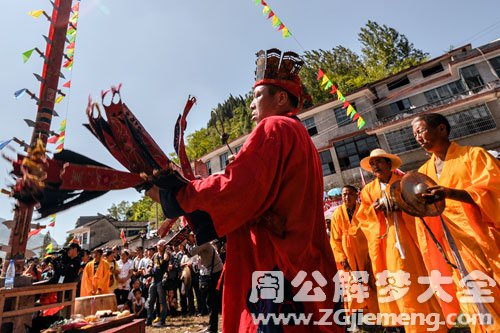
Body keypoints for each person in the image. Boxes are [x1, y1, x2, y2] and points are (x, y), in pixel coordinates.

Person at [145, 49, 341, 332]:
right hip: (303, 260)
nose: (251, 104)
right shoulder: (301, 137)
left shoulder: (274, 127)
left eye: (257, 96)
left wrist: (179, 195)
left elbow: (236, 188)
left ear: (282, 98)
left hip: (275, 261)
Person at [411, 113, 500, 332]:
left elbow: (493, 191)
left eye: (421, 130)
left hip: (482, 238)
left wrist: (450, 193)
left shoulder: (474, 156)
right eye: (414, 135)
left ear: (441, 129)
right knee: (470, 292)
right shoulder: (423, 173)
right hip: (452, 243)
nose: (418, 138)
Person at [357, 148, 446, 333]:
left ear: (389, 164)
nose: (376, 166)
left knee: (419, 280)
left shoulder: (404, 182)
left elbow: (419, 206)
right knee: (398, 281)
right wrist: (375, 210)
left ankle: (432, 325)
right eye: (372, 164)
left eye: (379, 162)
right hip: (387, 241)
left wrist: (399, 205)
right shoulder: (368, 191)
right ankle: (411, 325)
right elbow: (364, 218)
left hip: (410, 237)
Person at [329, 185, 379, 322]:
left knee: (371, 282)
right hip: (348, 256)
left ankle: (377, 313)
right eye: (344, 194)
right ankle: (360, 316)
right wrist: (341, 257)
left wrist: (372, 252)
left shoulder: (363, 210)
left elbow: (372, 229)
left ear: (356, 195)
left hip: (365, 254)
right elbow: (335, 239)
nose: (347, 197)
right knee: (353, 285)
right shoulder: (337, 214)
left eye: (350, 194)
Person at [192, 241, 223, 333]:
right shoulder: (203, 244)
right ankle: (211, 326)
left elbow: (191, 252)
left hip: (215, 274)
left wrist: (184, 242)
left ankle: (213, 328)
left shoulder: (204, 243)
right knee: (210, 301)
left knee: (212, 301)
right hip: (211, 274)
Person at [146, 239, 169, 327]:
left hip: (161, 280)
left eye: (160, 245)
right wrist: (149, 270)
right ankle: (149, 320)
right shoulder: (155, 255)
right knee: (150, 300)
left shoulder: (165, 254)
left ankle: (162, 320)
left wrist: (166, 250)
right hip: (154, 280)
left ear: (163, 246)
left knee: (162, 301)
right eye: (157, 245)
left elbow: (166, 259)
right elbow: (152, 264)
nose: (158, 247)